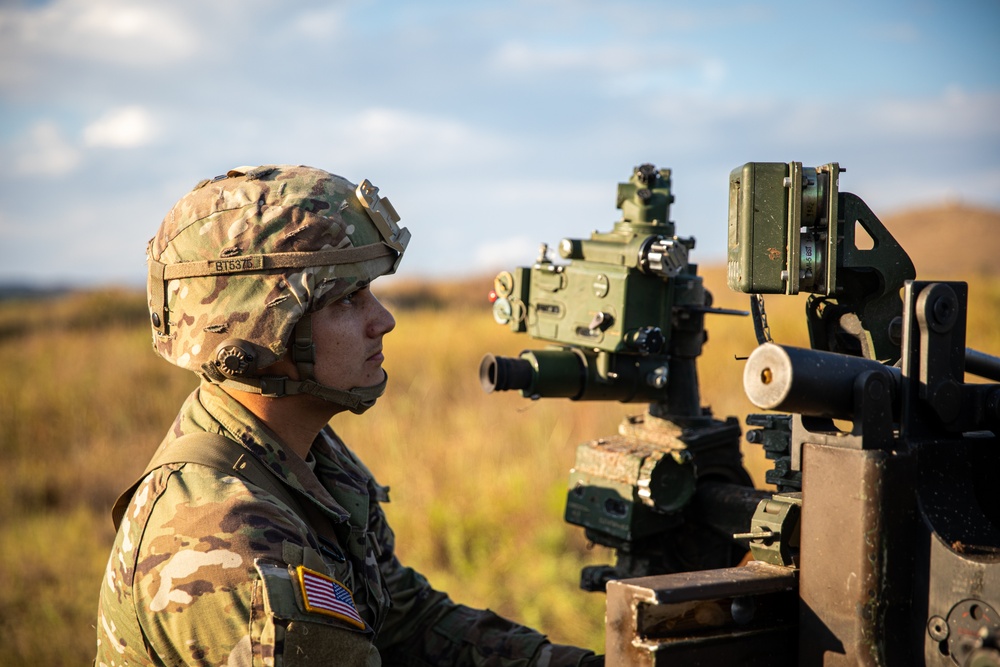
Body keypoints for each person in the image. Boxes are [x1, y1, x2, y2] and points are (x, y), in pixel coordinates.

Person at [96, 165, 599, 666]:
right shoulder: (227, 547)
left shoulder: (299, 449)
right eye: (347, 300)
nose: (383, 321)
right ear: (263, 328)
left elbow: (404, 620)